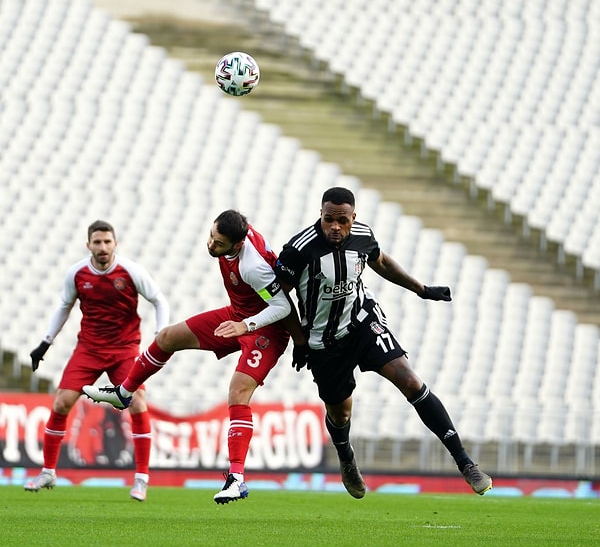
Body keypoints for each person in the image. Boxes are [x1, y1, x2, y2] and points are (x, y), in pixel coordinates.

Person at [274, 187, 492, 498]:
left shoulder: (363, 236)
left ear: (353, 218)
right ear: (320, 216)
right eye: (328, 220)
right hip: (324, 342)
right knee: (341, 414)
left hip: (363, 322)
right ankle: (346, 457)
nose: (335, 227)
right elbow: (277, 294)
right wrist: (298, 339)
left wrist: (421, 289)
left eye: (342, 220)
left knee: (411, 381)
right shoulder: (299, 249)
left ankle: (465, 462)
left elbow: (383, 263)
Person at [83, 210, 295, 504]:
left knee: (237, 392)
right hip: (237, 315)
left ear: (237, 245)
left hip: (266, 330)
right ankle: (124, 392)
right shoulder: (233, 235)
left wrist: (246, 326)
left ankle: (237, 479)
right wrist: (240, 320)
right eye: (211, 235)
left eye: (218, 243)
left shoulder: (252, 266)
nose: (211, 244)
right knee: (167, 337)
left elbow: (283, 307)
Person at [24, 220, 169, 501]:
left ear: (115, 243)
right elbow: (64, 307)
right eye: (97, 242)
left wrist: (159, 334)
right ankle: (48, 471)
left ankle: (141, 479)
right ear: (88, 244)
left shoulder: (131, 271)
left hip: (124, 349)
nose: (102, 247)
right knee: (61, 402)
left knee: (137, 403)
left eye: (107, 242)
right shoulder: (77, 273)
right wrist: (45, 343)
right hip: (89, 349)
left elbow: (159, 300)